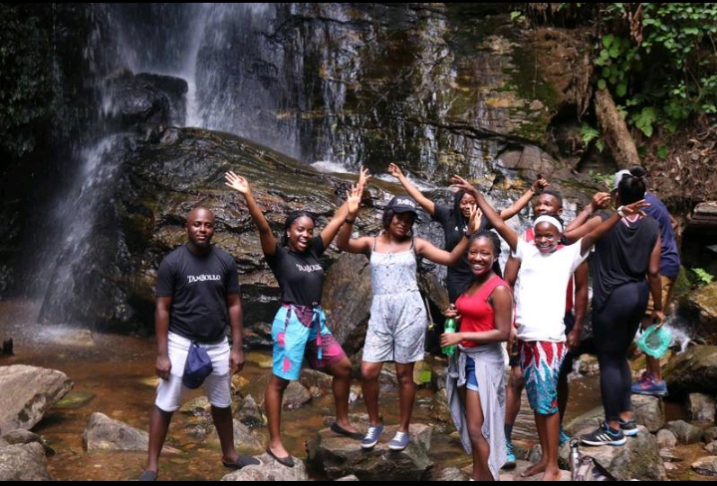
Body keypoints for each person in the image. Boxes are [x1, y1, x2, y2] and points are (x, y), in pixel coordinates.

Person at [451, 175, 647, 481]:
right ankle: (545, 458)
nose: (543, 240)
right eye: (539, 235)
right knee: (538, 404)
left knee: (548, 405)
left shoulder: (568, 256)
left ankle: (553, 465)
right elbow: (498, 224)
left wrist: (619, 214)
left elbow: (595, 234)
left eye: (549, 236)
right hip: (527, 341)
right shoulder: (525, 250)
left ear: (558, 236)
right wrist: (475, 194)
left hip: (548, 343)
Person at [224, 169, 368, 468]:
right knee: (280, 382)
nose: (305, 235)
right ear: (289, 231)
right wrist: (249, 195)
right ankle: (275, 442)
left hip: (315, 321)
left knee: (343, 368)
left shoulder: (314, 250)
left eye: (309, 230)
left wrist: (354, 199)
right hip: (291, 321)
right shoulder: (279, 256)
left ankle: (342, 421)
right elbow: (263, 228)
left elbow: (336, 221)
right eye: (299, 230)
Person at [336, 187, 480, 452]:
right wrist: (350, 216)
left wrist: (469, 234)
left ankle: (403, 429)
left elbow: (450, 258)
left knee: (404, 375)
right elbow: (342, 244)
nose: (403, 223)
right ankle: (375, 423)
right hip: (380, 312)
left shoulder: (417, 244)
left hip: (409, 311)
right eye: (399, 217)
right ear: (389, 216)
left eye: (409, 219)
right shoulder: (371, 243)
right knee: (368, 372)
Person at [140, 207, 259, 481]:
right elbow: (162, 309)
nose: (202, 230)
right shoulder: (173, 262)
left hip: (217, 343)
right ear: (187, 226)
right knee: (165, 403)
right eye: (197, 224)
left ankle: (229, 455)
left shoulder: (225, 261)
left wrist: (237, 347)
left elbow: (234, 304)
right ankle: (152, 466)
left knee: (222, 402)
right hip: (181, 342)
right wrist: (162, 354)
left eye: (207, 225)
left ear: (214, 228)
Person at [565, 173, 662, 447]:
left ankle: (612, 427)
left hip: (612, 297)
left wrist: (590, 208)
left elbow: (567, 237)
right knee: (620, 357)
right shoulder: (652, 225)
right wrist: (658, 307)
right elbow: (654, 271)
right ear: (643, 199)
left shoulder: (603, 220)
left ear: (617, 196)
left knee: (608, 359)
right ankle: (627, 418)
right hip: (639, 294)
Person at [501, 190, 593, 468]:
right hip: (527, 322)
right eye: (538, 203)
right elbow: (507, 283)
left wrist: (577, 327)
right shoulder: (524, 243)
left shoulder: (570, 249)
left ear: (559, 211)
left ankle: (553, 438)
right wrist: (509, 322)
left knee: (556, 380)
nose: (542, 207)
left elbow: (581, 288)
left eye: (548, 204)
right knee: (518, 377)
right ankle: (506, 438)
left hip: (559, 322)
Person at [386, 163, 549, 302]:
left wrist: (532, 190)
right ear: (458, 203)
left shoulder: (485, 218)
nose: (468, 207)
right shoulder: (447, 216)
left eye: (472, 203)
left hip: (482, 276)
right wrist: (400, 177)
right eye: (464, 203)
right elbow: (421, 199)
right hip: (457, 278)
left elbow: (512, 209)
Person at [441, 230, 513, 481]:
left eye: (484, 253)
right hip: (466, 358)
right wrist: (456, 316)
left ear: (495, 257)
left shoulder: (499, 288)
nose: (477, 258)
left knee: (477, 430)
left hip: (484, 362)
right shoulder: (473, 282)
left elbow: (503, 332)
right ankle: (477, 476)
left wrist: (460, 336)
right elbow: (477, 314)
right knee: (473, 429)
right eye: (473, 252)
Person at [622, 167, 681, 397]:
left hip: (660, 267)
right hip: (671, 262)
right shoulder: (652, 200)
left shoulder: (644, 208)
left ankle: (655, 379)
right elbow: (673, 223)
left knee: (651, 319)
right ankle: (651, 373)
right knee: (652, 319)